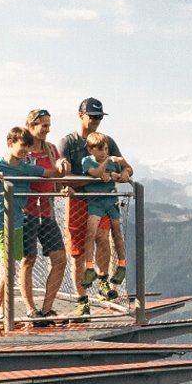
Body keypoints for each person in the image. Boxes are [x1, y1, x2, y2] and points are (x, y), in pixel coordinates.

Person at [0, 127, 66, 328]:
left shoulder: (25, 167)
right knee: (8, 269)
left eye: (28, 147)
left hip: (17, 223)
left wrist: (63, 167)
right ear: (10, 142)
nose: (26, 150)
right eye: (23, 146)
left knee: (10, 268)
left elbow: (50, 173)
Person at [57, 97, 133, 318]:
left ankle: (102, 282)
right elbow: (63, 176)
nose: (97, 121)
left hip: (102, 199)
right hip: (79, 202)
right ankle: (82, 299)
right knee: (78, 252)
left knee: (103, 238)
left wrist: (122, 175)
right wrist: (95, 179)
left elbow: (127, 167)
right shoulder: (69, 142)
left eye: (100, 117)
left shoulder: (105, 140)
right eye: (93, 116)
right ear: (80, 115)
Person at [20, 108, 67, 324]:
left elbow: (56, 177)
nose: (47, 130)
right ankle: (31, 308)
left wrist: (64, 185)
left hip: (46, 211)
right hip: (26, 211)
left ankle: (47, 308)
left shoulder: (51, 150)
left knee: (59, 259)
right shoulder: (24, 151)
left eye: (48, 125)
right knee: (28, 259)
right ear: (31, 126)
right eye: (43, 125)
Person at [80, 131, 130, 291]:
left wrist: (122, 172)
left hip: (111, 199)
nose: (104, 153)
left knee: (117, 232)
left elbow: (126, 170)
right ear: (90, 150)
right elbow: (95, 173)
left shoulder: (112, 162)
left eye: (106, 149)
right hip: (95, 202)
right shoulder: (87, 161)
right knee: (91, 233)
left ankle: (122, 264)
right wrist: (106, 166)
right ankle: (89, 267)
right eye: (100, 150)